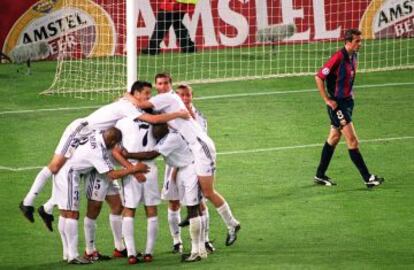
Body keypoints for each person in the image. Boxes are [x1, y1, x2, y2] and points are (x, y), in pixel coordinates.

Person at [19, 81, 190, 225]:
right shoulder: (128, 106)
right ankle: (27, 203)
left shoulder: (129, 103)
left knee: (73, 171)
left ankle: (47, 208)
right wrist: (179, 114)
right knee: (57, 166)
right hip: (81, 130)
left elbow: (142, 108)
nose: (149, 97)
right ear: (136, 93)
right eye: (146, 93)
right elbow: (153, 119)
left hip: (96, 139)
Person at [128, 73, 241, 246]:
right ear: (156, 85)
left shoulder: (167, 97)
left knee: (208, 192)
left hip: (200, 147)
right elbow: (152, 114)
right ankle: (208, 231)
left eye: (166, 83)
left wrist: (126, 95)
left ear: (170, 85)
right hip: (191, 151)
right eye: (160, 84)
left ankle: (230, 224)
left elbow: (142, 105)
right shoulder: (166, 100)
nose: (163, 86)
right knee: (199, 193)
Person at [53, 127, 148, 264]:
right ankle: (90, 251)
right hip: (97, 174)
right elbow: (111, 174)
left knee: (117, 206)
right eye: (115, 143)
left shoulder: (101, 132)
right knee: (93, 210)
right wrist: (134, 169)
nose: (116, 145)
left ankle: (119, 248)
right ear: (112, 140)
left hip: (106, 169)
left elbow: (115, 153)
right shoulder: (97, 150)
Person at [121, 123, 208, 262]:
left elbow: (152, 154)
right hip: (180, 169)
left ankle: (198, 250)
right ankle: (198, 249)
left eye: (156, 129)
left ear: (164, 128)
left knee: (193, 209)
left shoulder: (171, 138)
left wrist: (128, 154)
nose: (153, 132)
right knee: (190, 208)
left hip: (190, 170)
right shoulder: (165, 136)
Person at [313, 29, 384, 188]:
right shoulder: (338, 57)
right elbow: (319, 77)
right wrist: (327, 100)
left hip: (347, 102)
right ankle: (368, 178)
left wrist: (350, 93)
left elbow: (348, 78)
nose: (360, 44)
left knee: (334, 138)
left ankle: (319, 175)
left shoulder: (354, 56)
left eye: (361, 41)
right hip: (337, 105)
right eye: (357, 41)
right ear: (348, 42)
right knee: (352, 140)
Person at [112, 117, 161, 264]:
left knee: (129, 210)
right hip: (149, 168)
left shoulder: (122, 121)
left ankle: (131, 254)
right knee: (151, 210)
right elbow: (158, 148)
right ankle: (148, 253)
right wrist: (135, 169)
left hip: (131, 169)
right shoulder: (154, 118)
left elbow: (116, 151)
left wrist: (132, 170)